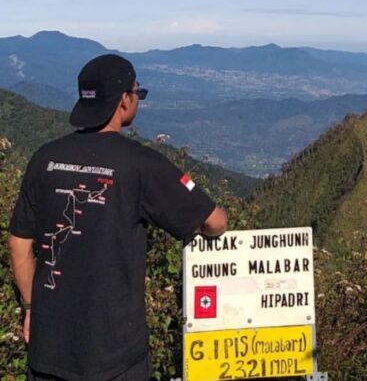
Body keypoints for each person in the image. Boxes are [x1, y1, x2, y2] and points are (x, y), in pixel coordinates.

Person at [8, 54, 228, 380]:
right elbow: (215, 221)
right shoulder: (144, 164)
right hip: (114, 357)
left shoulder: (44, 158)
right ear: (124, 100)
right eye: (138, 92)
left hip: (48, 352)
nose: (137, 98)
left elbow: (19, 245)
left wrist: (30, 308)